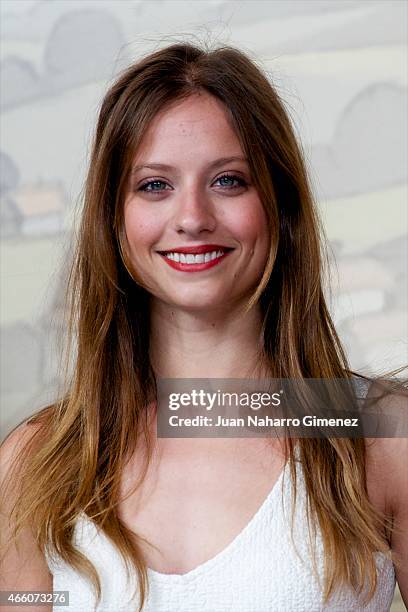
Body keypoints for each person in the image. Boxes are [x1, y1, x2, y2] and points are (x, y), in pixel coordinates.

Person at [1, 41, 407, 612]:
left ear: (280, 207)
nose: (192, 218)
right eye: (154, 185)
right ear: (113, 220)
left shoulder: (375, 435)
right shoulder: (37, 461)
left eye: (228, 181)